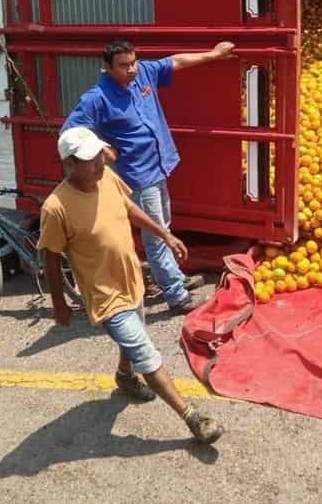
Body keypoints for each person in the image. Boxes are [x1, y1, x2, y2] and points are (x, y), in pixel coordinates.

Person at [38, 126, 224, 444]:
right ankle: (193, 418)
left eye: (99, 155)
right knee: (146, 353)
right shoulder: (56, 208)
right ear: (69, 163)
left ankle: (125, 376)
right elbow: (50, 257)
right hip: (105, 296)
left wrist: (165, 234)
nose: (99, 163)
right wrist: (59, 304)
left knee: (136, 333)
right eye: (90, 159)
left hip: (131, 279)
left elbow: (129, 207)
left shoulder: (106, 177)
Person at [62, 39, 235, 313]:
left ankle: (173, 278)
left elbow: (176, 61)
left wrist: (213, 55)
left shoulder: (143, 73)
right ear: (106, 67)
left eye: (133, 62)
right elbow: (71, 132)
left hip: (160, 163)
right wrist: (103, 149)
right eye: (123, 66)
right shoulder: (97, 98)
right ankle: (177, 297)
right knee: (156, 235)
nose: (131, 70)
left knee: (164, 225)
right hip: (138, 174)